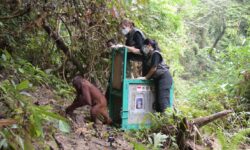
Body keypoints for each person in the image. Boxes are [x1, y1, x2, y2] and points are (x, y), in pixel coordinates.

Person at [139, 39, 173, 112]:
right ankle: (161, 121)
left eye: (144, 46)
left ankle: (168, 121)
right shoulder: (149, 56)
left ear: (149, 45)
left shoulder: (156, 54)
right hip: (158, 79)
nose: (143, 48)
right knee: (157, 102)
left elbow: (154, 68)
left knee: (163, 100)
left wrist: (145, 78)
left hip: (164, 77)